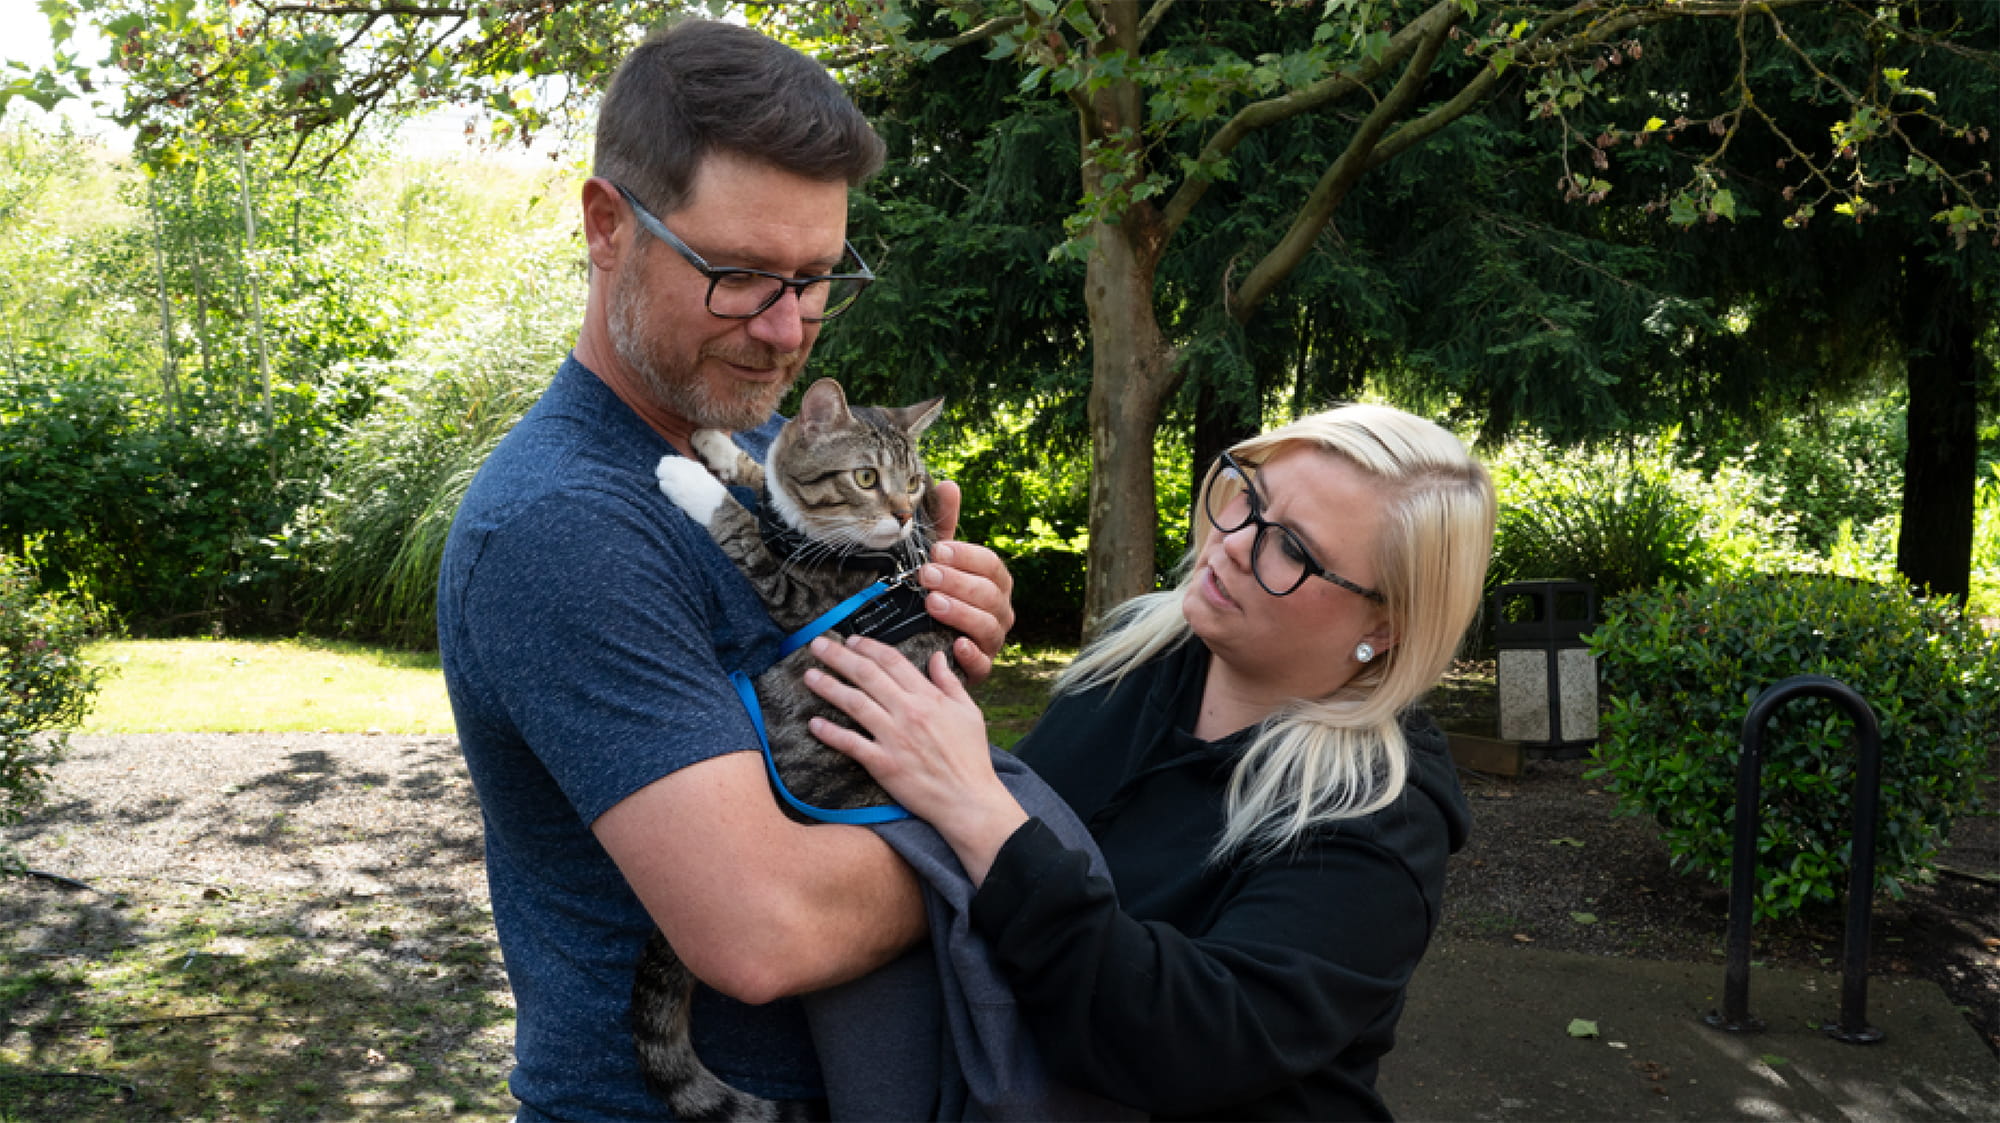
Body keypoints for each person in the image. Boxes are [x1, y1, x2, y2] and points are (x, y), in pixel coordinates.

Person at [435, 18, 1015, 1121]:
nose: (790, 329)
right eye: (743, 275)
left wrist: (933, 637)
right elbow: (766, 928)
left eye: (817, 275)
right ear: (609, 226)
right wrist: (1017, 856)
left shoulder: (759, 448)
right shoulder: (565, 526)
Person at [804, 403, 1495, 1120]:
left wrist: (979, 808)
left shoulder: (1382, 816)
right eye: (1247, 495)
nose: (1231, 543)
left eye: (1291, 547)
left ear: (1384, 627)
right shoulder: (1139, 654)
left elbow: (1189, 1044)